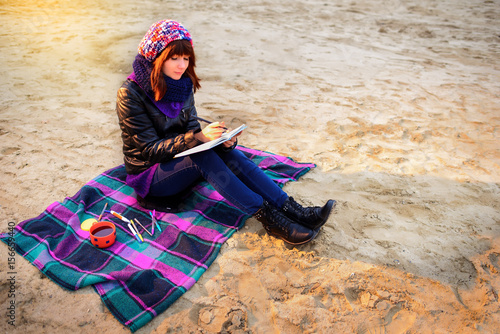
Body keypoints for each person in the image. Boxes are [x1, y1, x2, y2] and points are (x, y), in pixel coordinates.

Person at [116, 20, 335, 245]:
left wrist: (220, 141)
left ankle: (293, 209)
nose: (182, 65)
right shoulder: (130, 94)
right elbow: (148, 150)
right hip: (150, 176)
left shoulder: (181, 83)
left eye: (186, 58)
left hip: (179, 161)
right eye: (174, 58)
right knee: (201, 155)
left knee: (225, 153)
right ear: (156, 57)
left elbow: (191, 129)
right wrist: (197, 138)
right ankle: (272, 220)